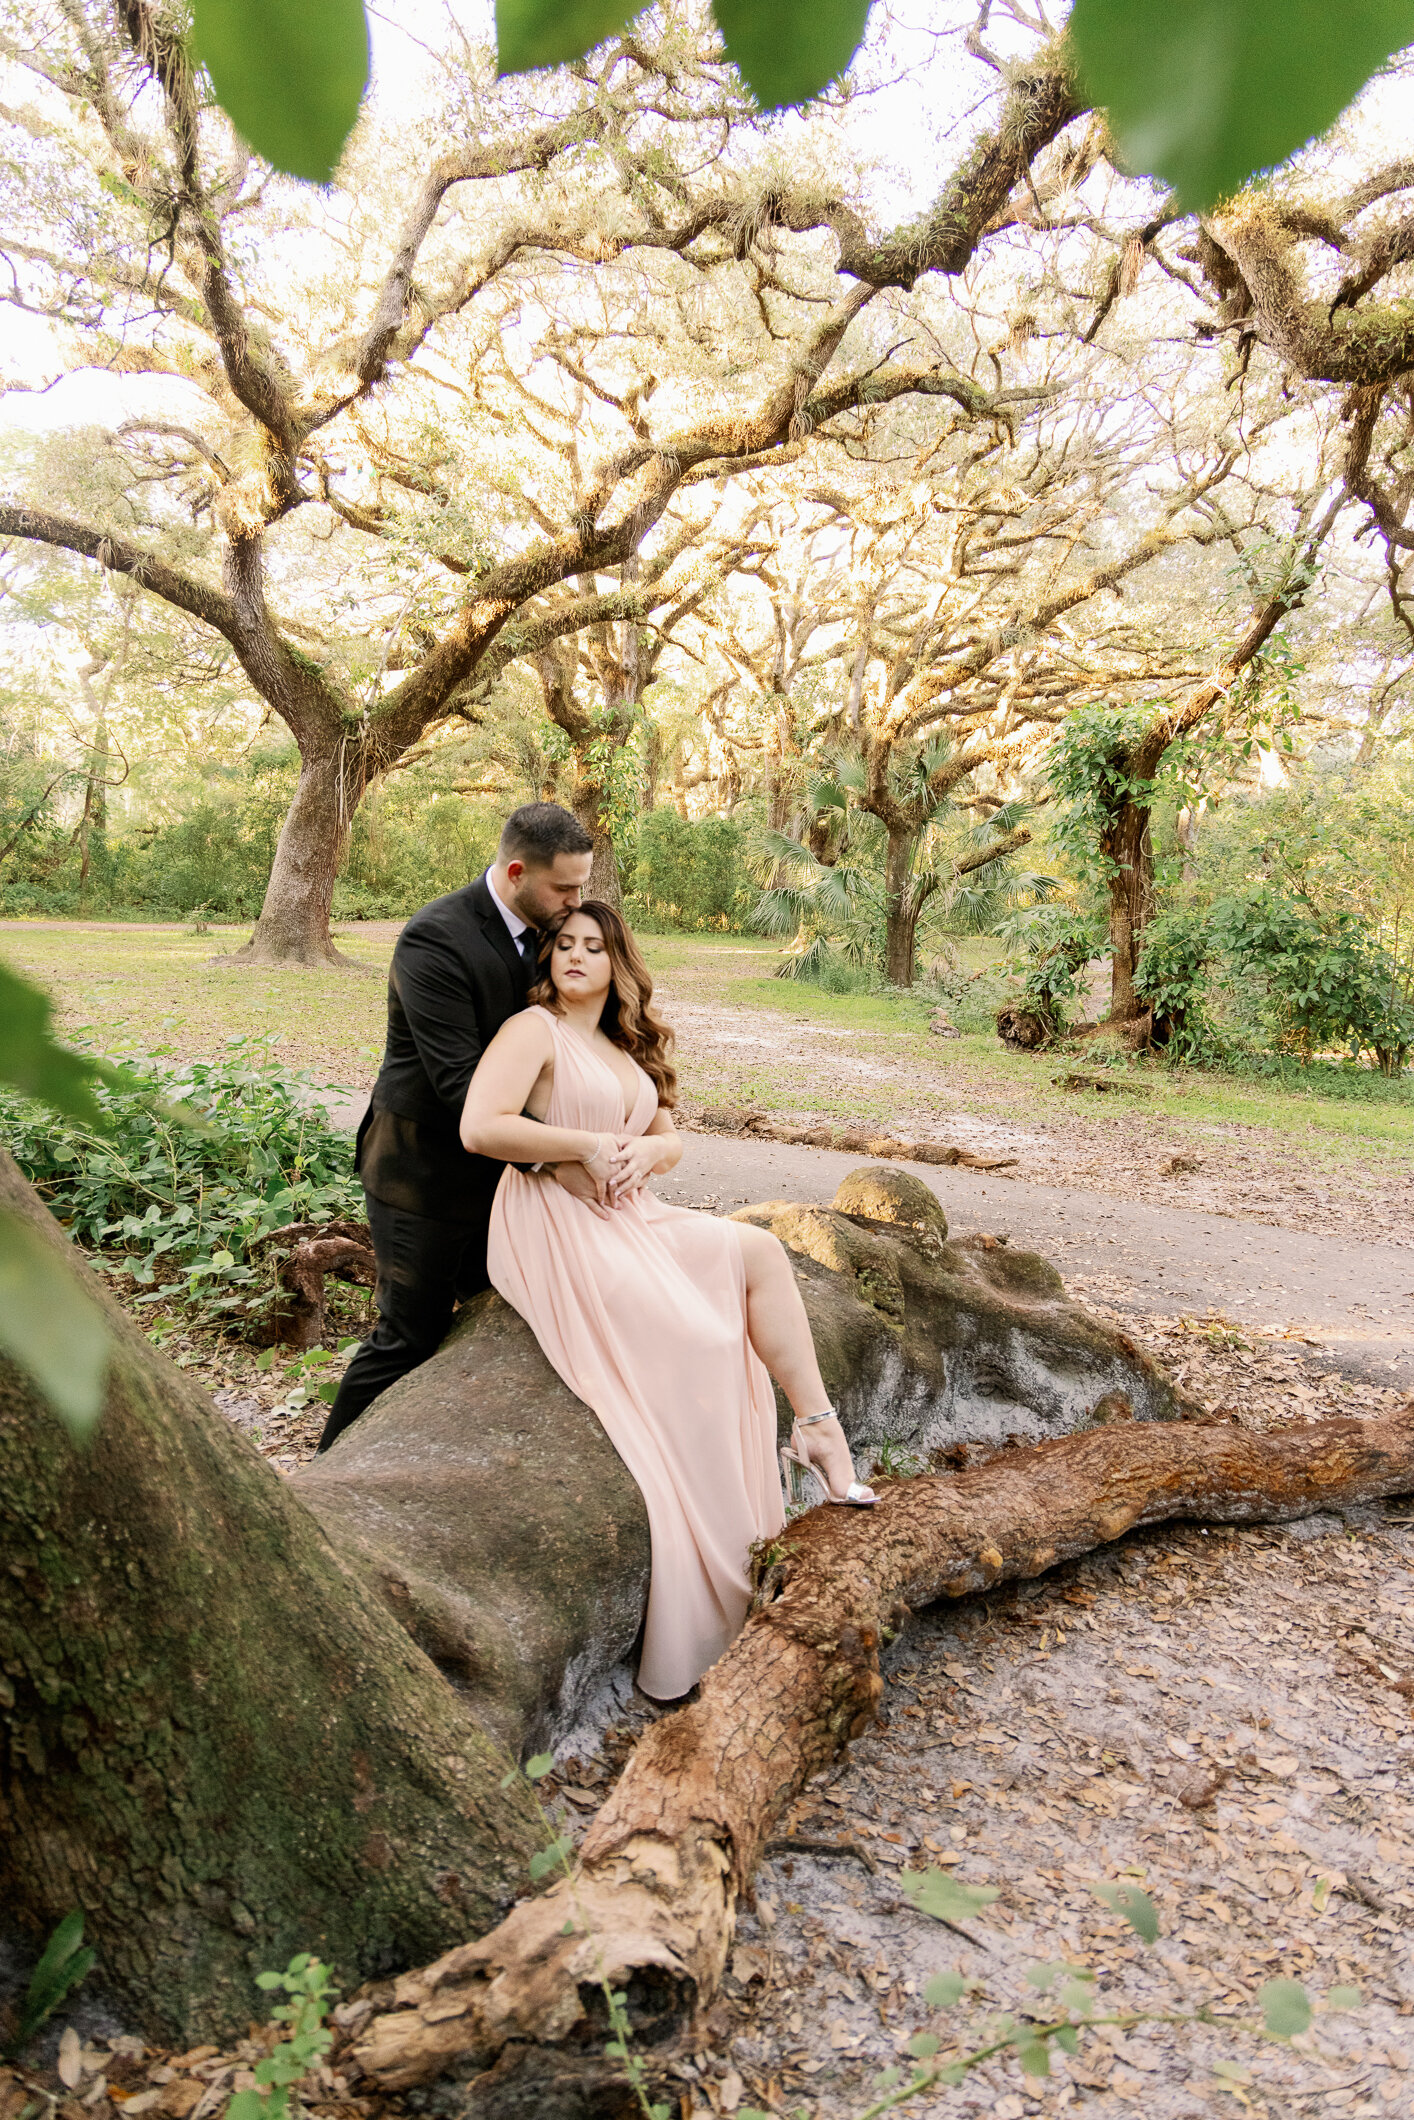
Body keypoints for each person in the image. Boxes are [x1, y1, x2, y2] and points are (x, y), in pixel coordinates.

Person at [461, 900, 876, 1702]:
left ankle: (820, 1429)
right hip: (556, 1219)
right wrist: (582, 1145)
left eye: (594, 947)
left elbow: (671, 1137)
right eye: (565, 946)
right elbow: (483, 1128)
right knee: (704, 1338)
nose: (576, 958)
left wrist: (646, 1148)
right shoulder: (531, 1031)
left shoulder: (624, 1043)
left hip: (633, 1214)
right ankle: (710, 1575)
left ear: (618, 963)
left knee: (755, 1248)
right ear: (548, 959)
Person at [317, 803, 593, 1451]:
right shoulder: (435, 939)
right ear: (518, 871)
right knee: (407, 1338)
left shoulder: (554, 926)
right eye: (565, 886)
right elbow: (460, 1085)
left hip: (504, 1180)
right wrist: (561, 1157)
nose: (575, 900)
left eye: (582, 886)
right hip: (423, 1178)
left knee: (495, 1321)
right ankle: (321, 1482)